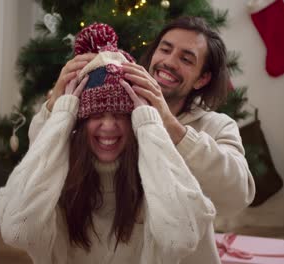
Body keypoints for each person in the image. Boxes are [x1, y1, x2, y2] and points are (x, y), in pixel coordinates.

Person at [0, 23, 220, 263]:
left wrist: (150, 123)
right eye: (97, 115)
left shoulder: (158, 174)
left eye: (121, 116)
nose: (109, 126)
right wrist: (61, 114)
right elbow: (18, 231)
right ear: (77, 122)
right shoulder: (54, 176)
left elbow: (181, 239)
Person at [29, 16, 255, 218]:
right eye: (165, 50)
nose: (169, 62)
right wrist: (55, 105)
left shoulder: (217, 126)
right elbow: (37, 163)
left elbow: (237, 196)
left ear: (202, 79)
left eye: (186, 59)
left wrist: (170, 125)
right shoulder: (109, 111)